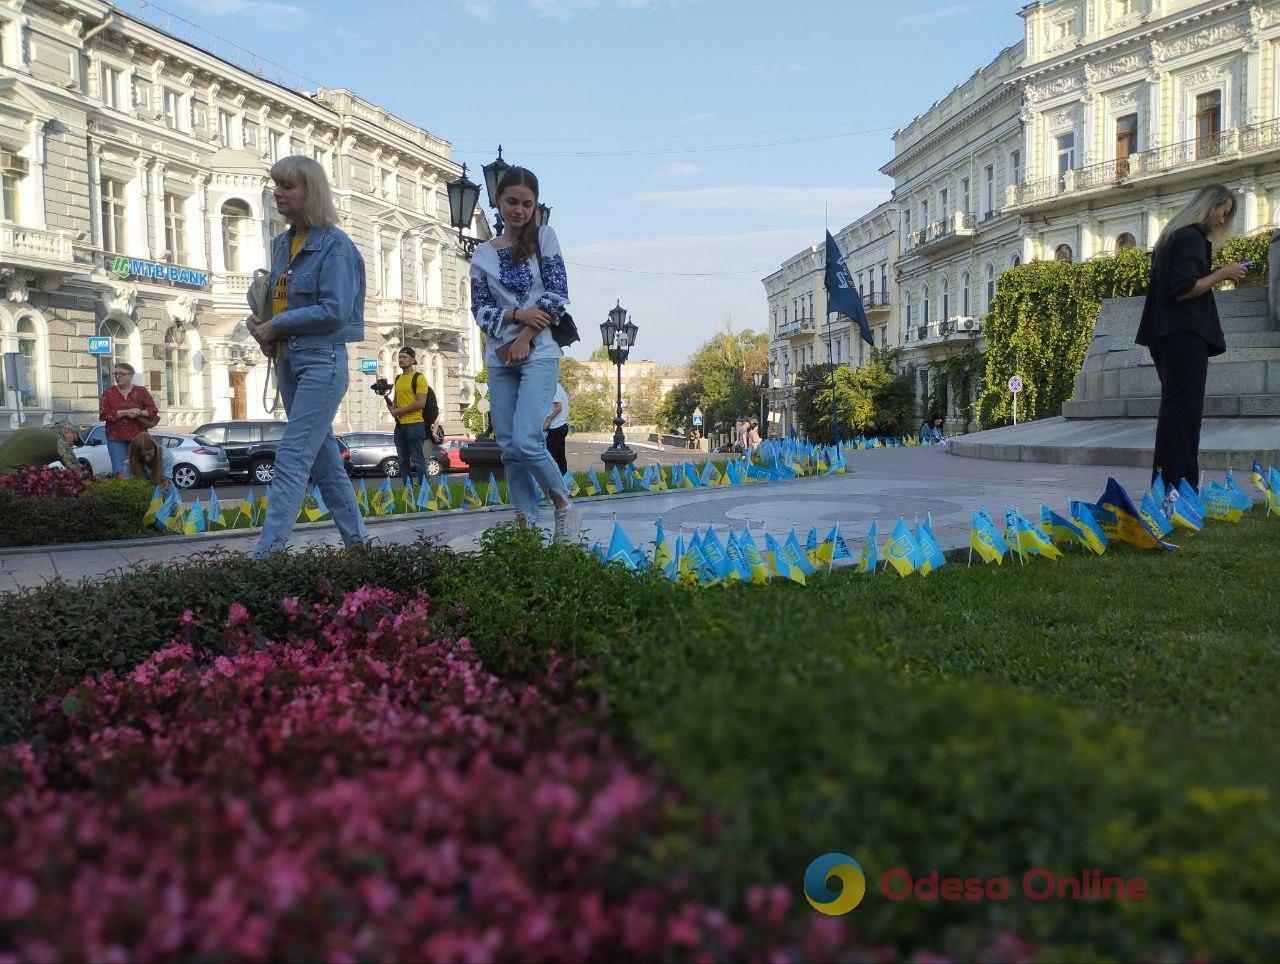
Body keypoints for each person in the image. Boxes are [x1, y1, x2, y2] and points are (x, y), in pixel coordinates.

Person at [245, 154, 369, 558]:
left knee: (293, 455)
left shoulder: (335, 245)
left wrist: (279, 324)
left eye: (287, 186)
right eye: (276, 185)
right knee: (324, 461)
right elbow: (281, 304)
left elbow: (336, 308)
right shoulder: (282, 244)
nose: (278, 193)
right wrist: (264, 325)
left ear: (310, 192)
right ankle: (359, 548)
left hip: (322, 362)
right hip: (287, 359)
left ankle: (267, 556)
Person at [470, 166, 579, 542]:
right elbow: (479, 310)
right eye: (511, 201)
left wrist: (525, 337)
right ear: (498, 202)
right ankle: (526, 525)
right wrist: (516, 314)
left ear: (535, 206)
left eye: (527, 203)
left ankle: (563, 505)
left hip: (540, 353)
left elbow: (556, 295)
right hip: (499, 357)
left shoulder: (545, 238)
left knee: (528, 440)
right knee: (508, 449)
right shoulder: (482, 253)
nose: (519, 210)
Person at [1136, 184, 1248, 491]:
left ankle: (1169, 486)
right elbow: (1185, 288)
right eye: (1222, 213)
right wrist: (1224, 273)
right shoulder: (1191, 238)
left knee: (1176, 414)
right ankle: (1181, 488)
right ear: (1208, 206)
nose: (1222, 221)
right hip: (1184, 335)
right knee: (1184, 417)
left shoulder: (1173, 237)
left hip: (1169, 335)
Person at [99, 361, 158, 476]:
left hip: (138, 436)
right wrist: (125, 412)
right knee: (119, 470)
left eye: (122, 374)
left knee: (141, 468)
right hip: (115, 438)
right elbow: (103, 414)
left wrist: (139, 412)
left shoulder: (141, 391)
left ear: (131, 375)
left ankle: (144, 492)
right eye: (115, 374)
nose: (118, 376)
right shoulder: (109, 392)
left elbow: (153, 411)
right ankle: (123, 492)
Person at [385, 346, 429, 484]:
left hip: (415, 424)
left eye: (404, 357)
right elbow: (397, 403)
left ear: (413, 360)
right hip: (400, 426)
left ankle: (424, 487)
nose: (401, 360)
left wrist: (398, 411)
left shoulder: (419, 378)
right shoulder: (398, 378)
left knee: (417, 458)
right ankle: (408, 488)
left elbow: (421, 403)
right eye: (400, 357)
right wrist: (392, 407)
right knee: (403, 459)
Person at [0, 421, 84, 475]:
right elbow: (77, 471)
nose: (72, 445)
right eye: (74, 440)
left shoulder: (32, 430)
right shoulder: (58, 441)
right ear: (67, 430)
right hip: (11, 478)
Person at [544, 381, 569, 475]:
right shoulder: (558, 387)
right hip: (560, 426)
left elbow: (558, 407)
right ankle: (564, 482)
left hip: (555, 427)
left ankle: (555, 483)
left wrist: (548, 420)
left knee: (552, 458)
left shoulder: (554, 388)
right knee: (560, 457)